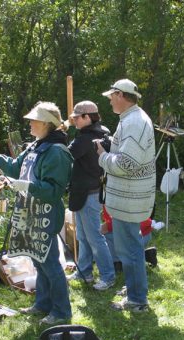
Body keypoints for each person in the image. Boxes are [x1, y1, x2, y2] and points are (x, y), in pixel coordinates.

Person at [0, 101, 73, 325]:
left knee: (50, 264)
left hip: (46, 215)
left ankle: (61, 312)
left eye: (34, 120)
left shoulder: (57, 152)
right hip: (30, 212)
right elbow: (16, 167)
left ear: (47, 124)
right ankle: (42, 303)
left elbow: (53, 191)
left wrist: (21, 185)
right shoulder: (36, 145)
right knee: (38, 262)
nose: (29, 123)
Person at [96, 79, 156, 312]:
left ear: (120, 95)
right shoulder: (132, 119)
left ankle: (137, 300)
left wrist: (102, 156)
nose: (110, 100)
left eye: (111, 96)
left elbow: (126, 163)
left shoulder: (134, 122)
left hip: (130, 199)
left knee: (130, 249)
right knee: (130, 248)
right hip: (128, 198)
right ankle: (134, 289)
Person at [64, 101, 116, 291]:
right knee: (83, 236)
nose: (74, 120)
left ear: (87, 117)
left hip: (89, 192)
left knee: (94, 237)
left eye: (77, 117)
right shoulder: (95, 133)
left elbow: (66, 155)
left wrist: (62, 133)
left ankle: (108, 276)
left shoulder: (87, 138)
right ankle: (84, 271)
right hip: (86, 190)